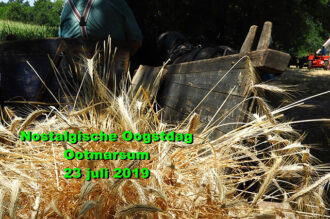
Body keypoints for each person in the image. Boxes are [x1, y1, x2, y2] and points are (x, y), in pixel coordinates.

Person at [58, 0, 143, 54]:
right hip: (112, 75)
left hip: (70, 77)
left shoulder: (66, 8)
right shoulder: (117, 2)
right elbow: (136, 41)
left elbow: (59, 44)